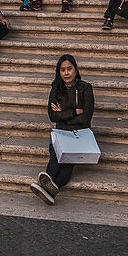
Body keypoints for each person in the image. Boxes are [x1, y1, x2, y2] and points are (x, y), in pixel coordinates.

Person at [29, 54, 95, 206]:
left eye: (69, 69)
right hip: (61, 131)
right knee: (55, 156)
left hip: (79, 133)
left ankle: (46, 188)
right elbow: (52, 115)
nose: (66, 73)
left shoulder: (85, 88)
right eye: (62, 70)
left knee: (67, 162)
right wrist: (73, 112)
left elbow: (85, 118)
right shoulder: (56, 88)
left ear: (76, 70)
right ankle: (49, 190)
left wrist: (63, 114)